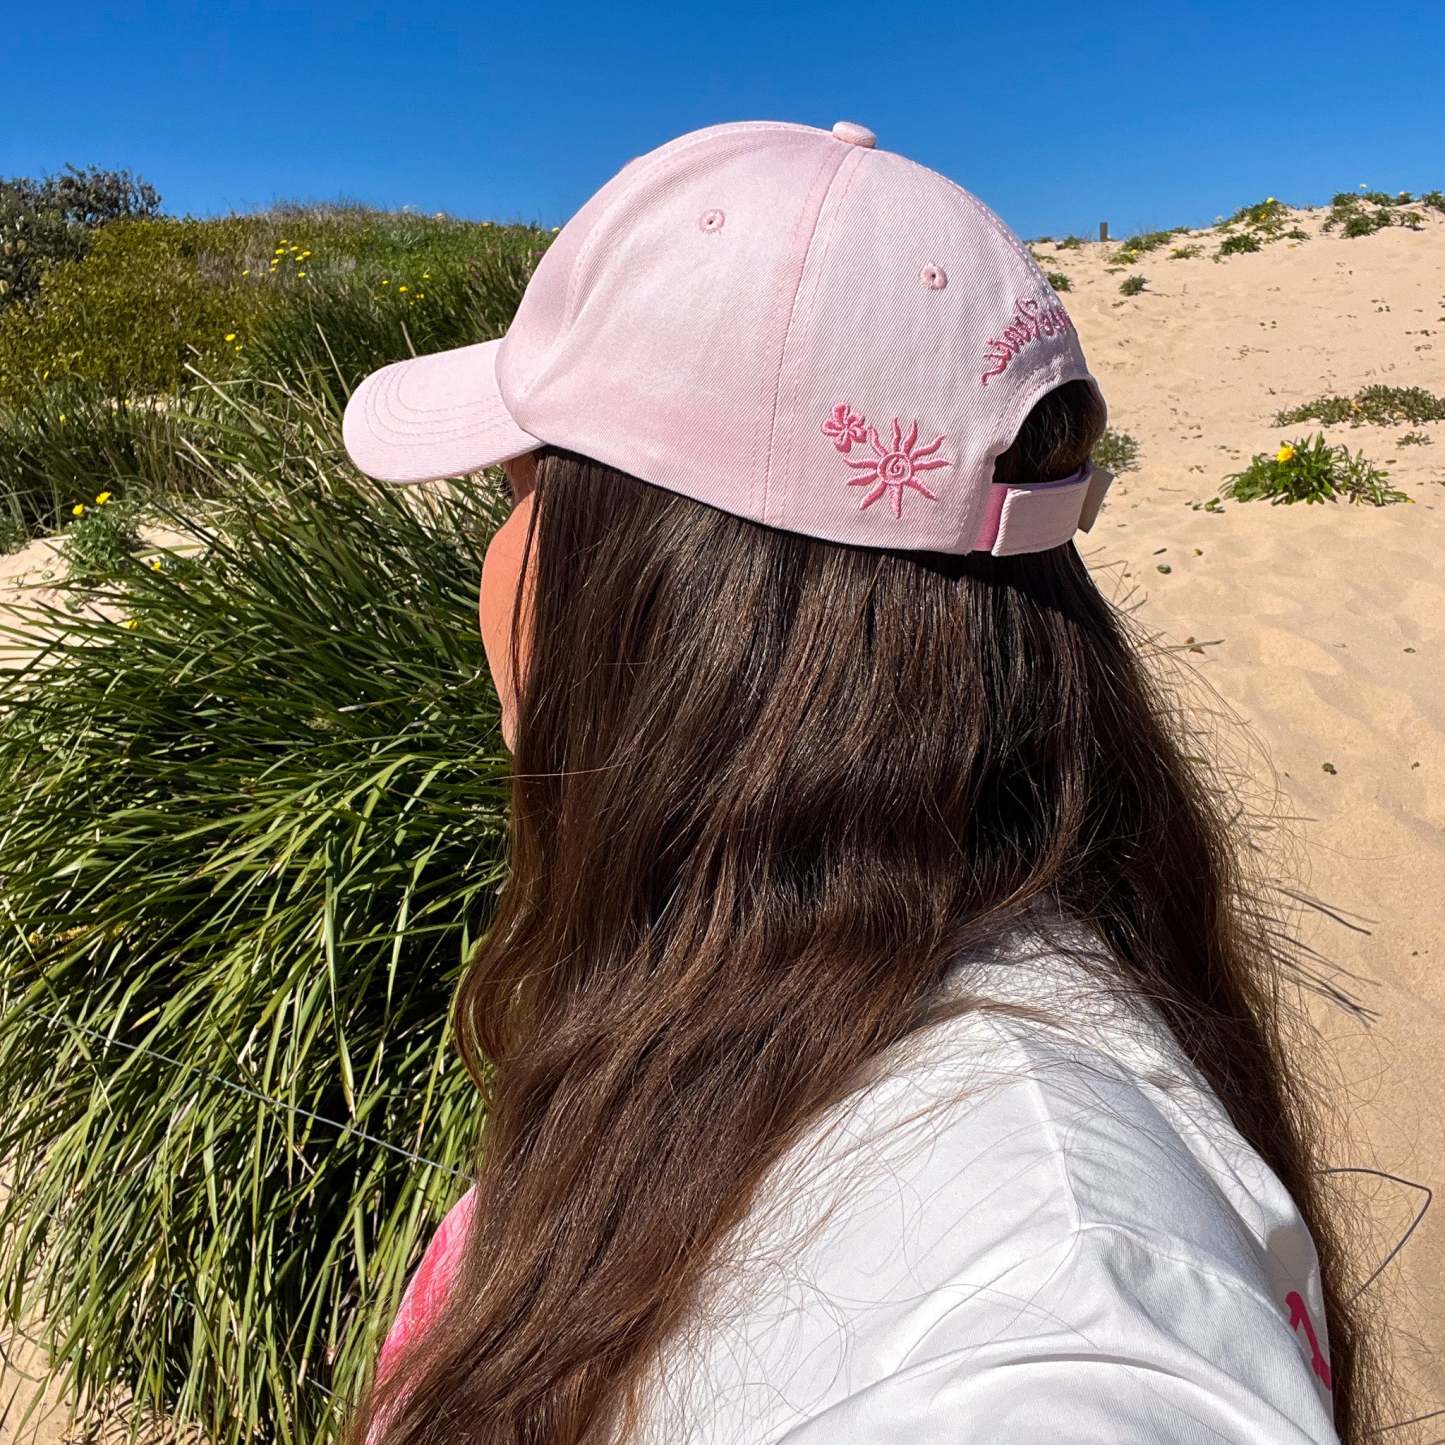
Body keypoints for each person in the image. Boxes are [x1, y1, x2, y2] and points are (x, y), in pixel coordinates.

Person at [338, 119, 1358, 1444]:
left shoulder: (1050, 1270)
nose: (500, 551)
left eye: (525, 487)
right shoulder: (815, 977)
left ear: (684, 600)